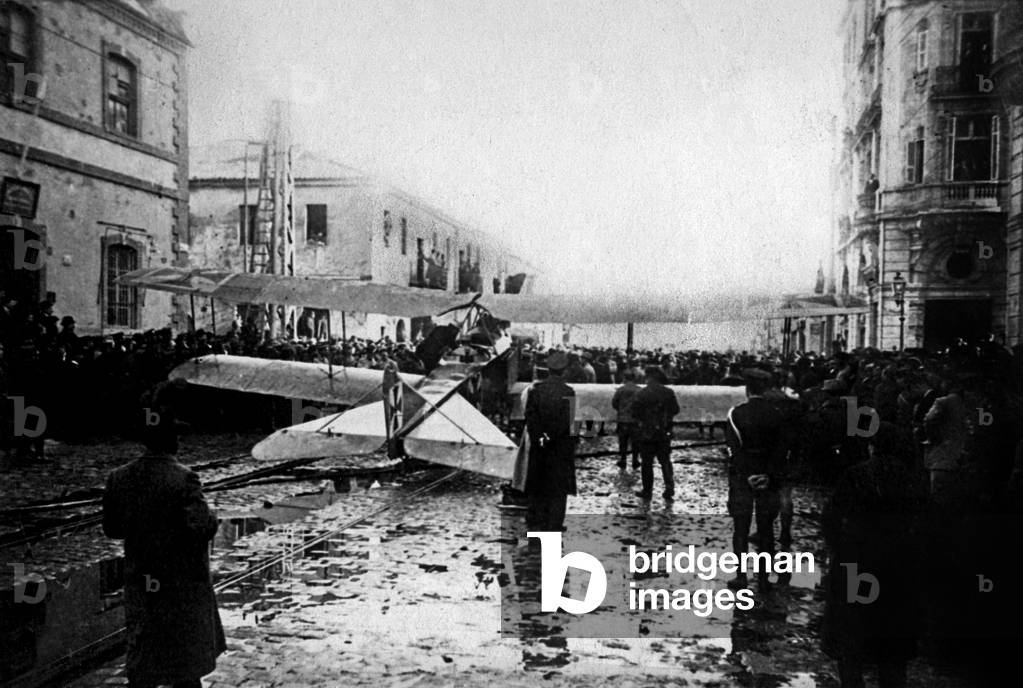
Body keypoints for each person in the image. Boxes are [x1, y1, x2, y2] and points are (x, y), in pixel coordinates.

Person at [102, 384, 226, 688]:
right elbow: (200, 527)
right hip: (178, 581)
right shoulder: (184, 478)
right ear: (171, 439)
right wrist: (214, 518)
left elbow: (112, 528)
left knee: (144, 653)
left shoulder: (119, 477)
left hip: (142, 579)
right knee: (183, 663)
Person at [822, 422, 923, 688]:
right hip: (898, 564)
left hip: (857, 558)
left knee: (851, 640)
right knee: (892, 648)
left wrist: (840, 548)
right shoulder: (912, 479)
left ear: (871, 446)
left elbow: (831, 518)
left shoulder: (855, 474)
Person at [723, 368, 801, 589]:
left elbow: (733, 449)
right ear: (766, 389)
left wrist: (747, 474)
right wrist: (768, 474)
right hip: (769, 478)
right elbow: (783, 448)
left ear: (747, 390)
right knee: (766, 528)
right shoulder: (778, 414)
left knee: (741, 528)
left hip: (742, 478)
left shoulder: (735, 414)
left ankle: (741, 576)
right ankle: (764, 578)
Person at [523, 351, 578, 532]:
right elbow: (568, 423)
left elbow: (530, 419)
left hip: (539, 448)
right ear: (564, 370)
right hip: (559, 449)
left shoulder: (536, 391)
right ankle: (554, 524)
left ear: (547, 369)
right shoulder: (569, 392)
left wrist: (541, 437)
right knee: (558, 490)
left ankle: (536, 522)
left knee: (538, 485)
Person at [632, 366, 679, 502]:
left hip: (647, 433)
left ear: (649, 377)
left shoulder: (642, 393)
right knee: (665, 461)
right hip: (664, 432)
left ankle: (647, 491)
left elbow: (635, 412)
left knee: (647, 463)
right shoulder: (668, 392)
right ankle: (669, 488)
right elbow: (675, 410)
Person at [611, 369, 642, 468]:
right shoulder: (639, 390)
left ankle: (623, 459)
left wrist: (621, 410)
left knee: (623, 441)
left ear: (625, 378)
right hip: (635, 420)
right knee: (635, 441)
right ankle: (635, 460)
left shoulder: (620, 390)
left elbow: (614, 403)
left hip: (622, 419)